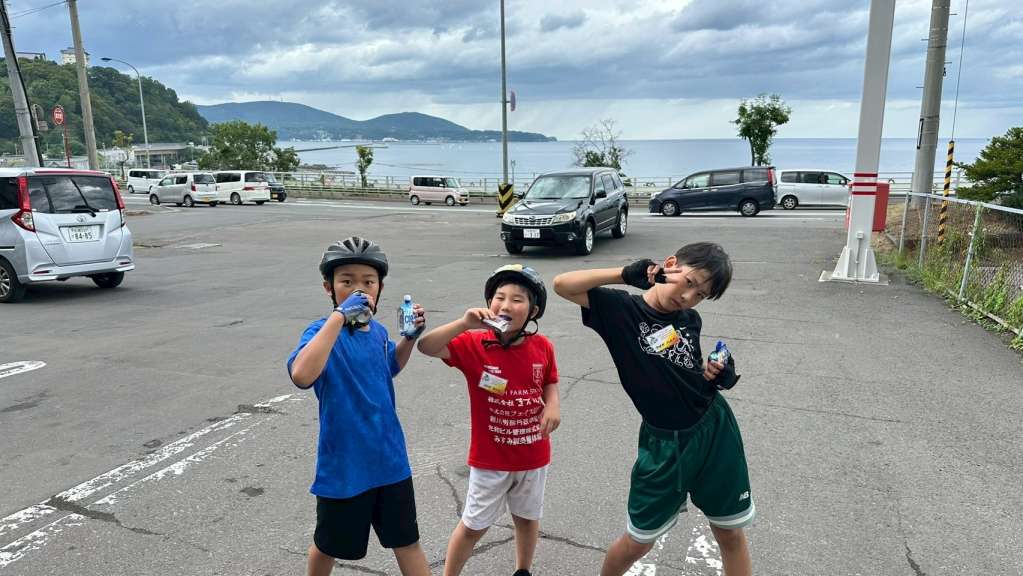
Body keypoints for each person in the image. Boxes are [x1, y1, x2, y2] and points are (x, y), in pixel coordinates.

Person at [552, 242, 754, 576]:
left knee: (730, 532)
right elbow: (562, 284)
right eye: (689, 282)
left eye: (700, 294)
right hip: (663, 443)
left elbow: (687, 368)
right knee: (638, 541)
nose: (688, 297)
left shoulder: (690, 319)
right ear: (670, 264)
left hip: (713, 429)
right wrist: (624, 274)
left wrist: (718, 374)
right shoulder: (620, 310)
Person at [287, 236, 430, 576]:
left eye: (368, 282)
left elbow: (389, 367)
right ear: (329, 287)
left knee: (407, 542)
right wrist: (338, 318)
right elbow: (302, 375)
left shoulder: (378, 332)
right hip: (345, 468)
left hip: (391, 461)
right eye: (347, 282)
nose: (359, 290)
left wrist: (409, 339)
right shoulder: (320, 332)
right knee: (328, 545)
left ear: (380, 288)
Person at [417, 264, 561, 576]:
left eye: (517, 300)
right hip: (490, 459)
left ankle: (523, 570)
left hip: (534, 455)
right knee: (472, 526)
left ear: (533, 311)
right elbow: (426, 347)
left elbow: (550, 380)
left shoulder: (542, 346)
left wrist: (553, 405)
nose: (506, 305)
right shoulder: (474, 344)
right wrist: (463, 324)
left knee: (527, 518)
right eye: (499, 297)